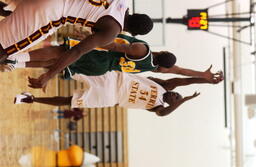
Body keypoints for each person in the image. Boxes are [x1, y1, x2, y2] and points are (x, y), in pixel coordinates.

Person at [0, 0, 153, 84]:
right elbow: (76, 51)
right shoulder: (112, 30)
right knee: (5, 48)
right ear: (134, 33)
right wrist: (50, 74)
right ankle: (13, 60)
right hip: (51, 11)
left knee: (8, 10)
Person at [1, 34, 221, 85]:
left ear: (162, 53)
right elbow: (180, 71)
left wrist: (88, 39)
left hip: (100, 55)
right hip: (101, 69)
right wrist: (203, 76)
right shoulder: (156, 68)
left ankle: (14, 57)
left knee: (59, 54)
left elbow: (113, 45)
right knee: (56, 63)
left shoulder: (142, 49)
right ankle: (16, 63)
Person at [15, 70, 223, 117]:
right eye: (177, 95)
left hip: (112, 98)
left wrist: (185, 101)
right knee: (73, 68)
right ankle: (39, 68)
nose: (175, 97)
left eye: (176, 100)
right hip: (115, 79)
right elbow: (185, 80)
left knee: (71, 102)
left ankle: (30, 98)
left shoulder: (158, 108)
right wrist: (206, 79)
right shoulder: (165, 86)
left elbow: (164, 114)